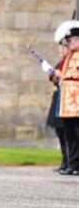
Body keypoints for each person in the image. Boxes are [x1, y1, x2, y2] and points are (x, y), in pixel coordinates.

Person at [53, 20, 79, 175]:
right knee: (70, 135)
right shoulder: (69, 57)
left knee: (77, 133)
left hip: (76, 101)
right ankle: (73, 163)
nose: (68, 44)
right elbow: (64, 75)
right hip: (67, 103)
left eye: (71, 41)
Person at [46, 38, 70, 173]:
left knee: (68, 134)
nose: (61, 51)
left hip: (67, 100)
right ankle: (65, 160)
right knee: (60, 133)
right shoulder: (61, 64)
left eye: (63, 48)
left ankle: (70, 161)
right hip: (58, 99)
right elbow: (54, 79)